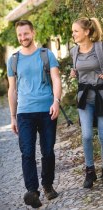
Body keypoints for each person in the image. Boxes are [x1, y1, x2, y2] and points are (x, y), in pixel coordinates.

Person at [7, 20, 62, 208]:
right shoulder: (13, 60)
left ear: (33, 33)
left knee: (48, 151)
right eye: (20, 35)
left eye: (26, 33)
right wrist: (13, 116)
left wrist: (56, 101)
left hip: (47, 110)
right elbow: (12, 90)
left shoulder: (47, 55)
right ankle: (32, 191)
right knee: (27, 153)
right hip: (24, 113)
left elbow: (56, 78)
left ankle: (47, 185)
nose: (23, 38)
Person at [70, 17, 103, 189]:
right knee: (87, 135)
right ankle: (90, 171)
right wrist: (73, 73)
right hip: (84, 98)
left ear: (87, 32)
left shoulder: (100, 48)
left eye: (76, 31)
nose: (73, 34)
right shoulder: (74, 51)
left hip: (101, 96)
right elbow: (76, 70)